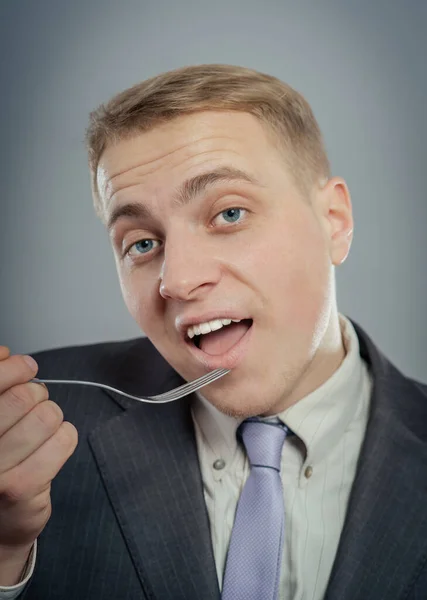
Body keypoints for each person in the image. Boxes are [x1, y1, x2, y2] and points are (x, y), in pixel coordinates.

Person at [0, 64, 426, 600]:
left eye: (228, 213)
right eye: (141, 244)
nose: (176, 281)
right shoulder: (27, 432)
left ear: (334, 220)